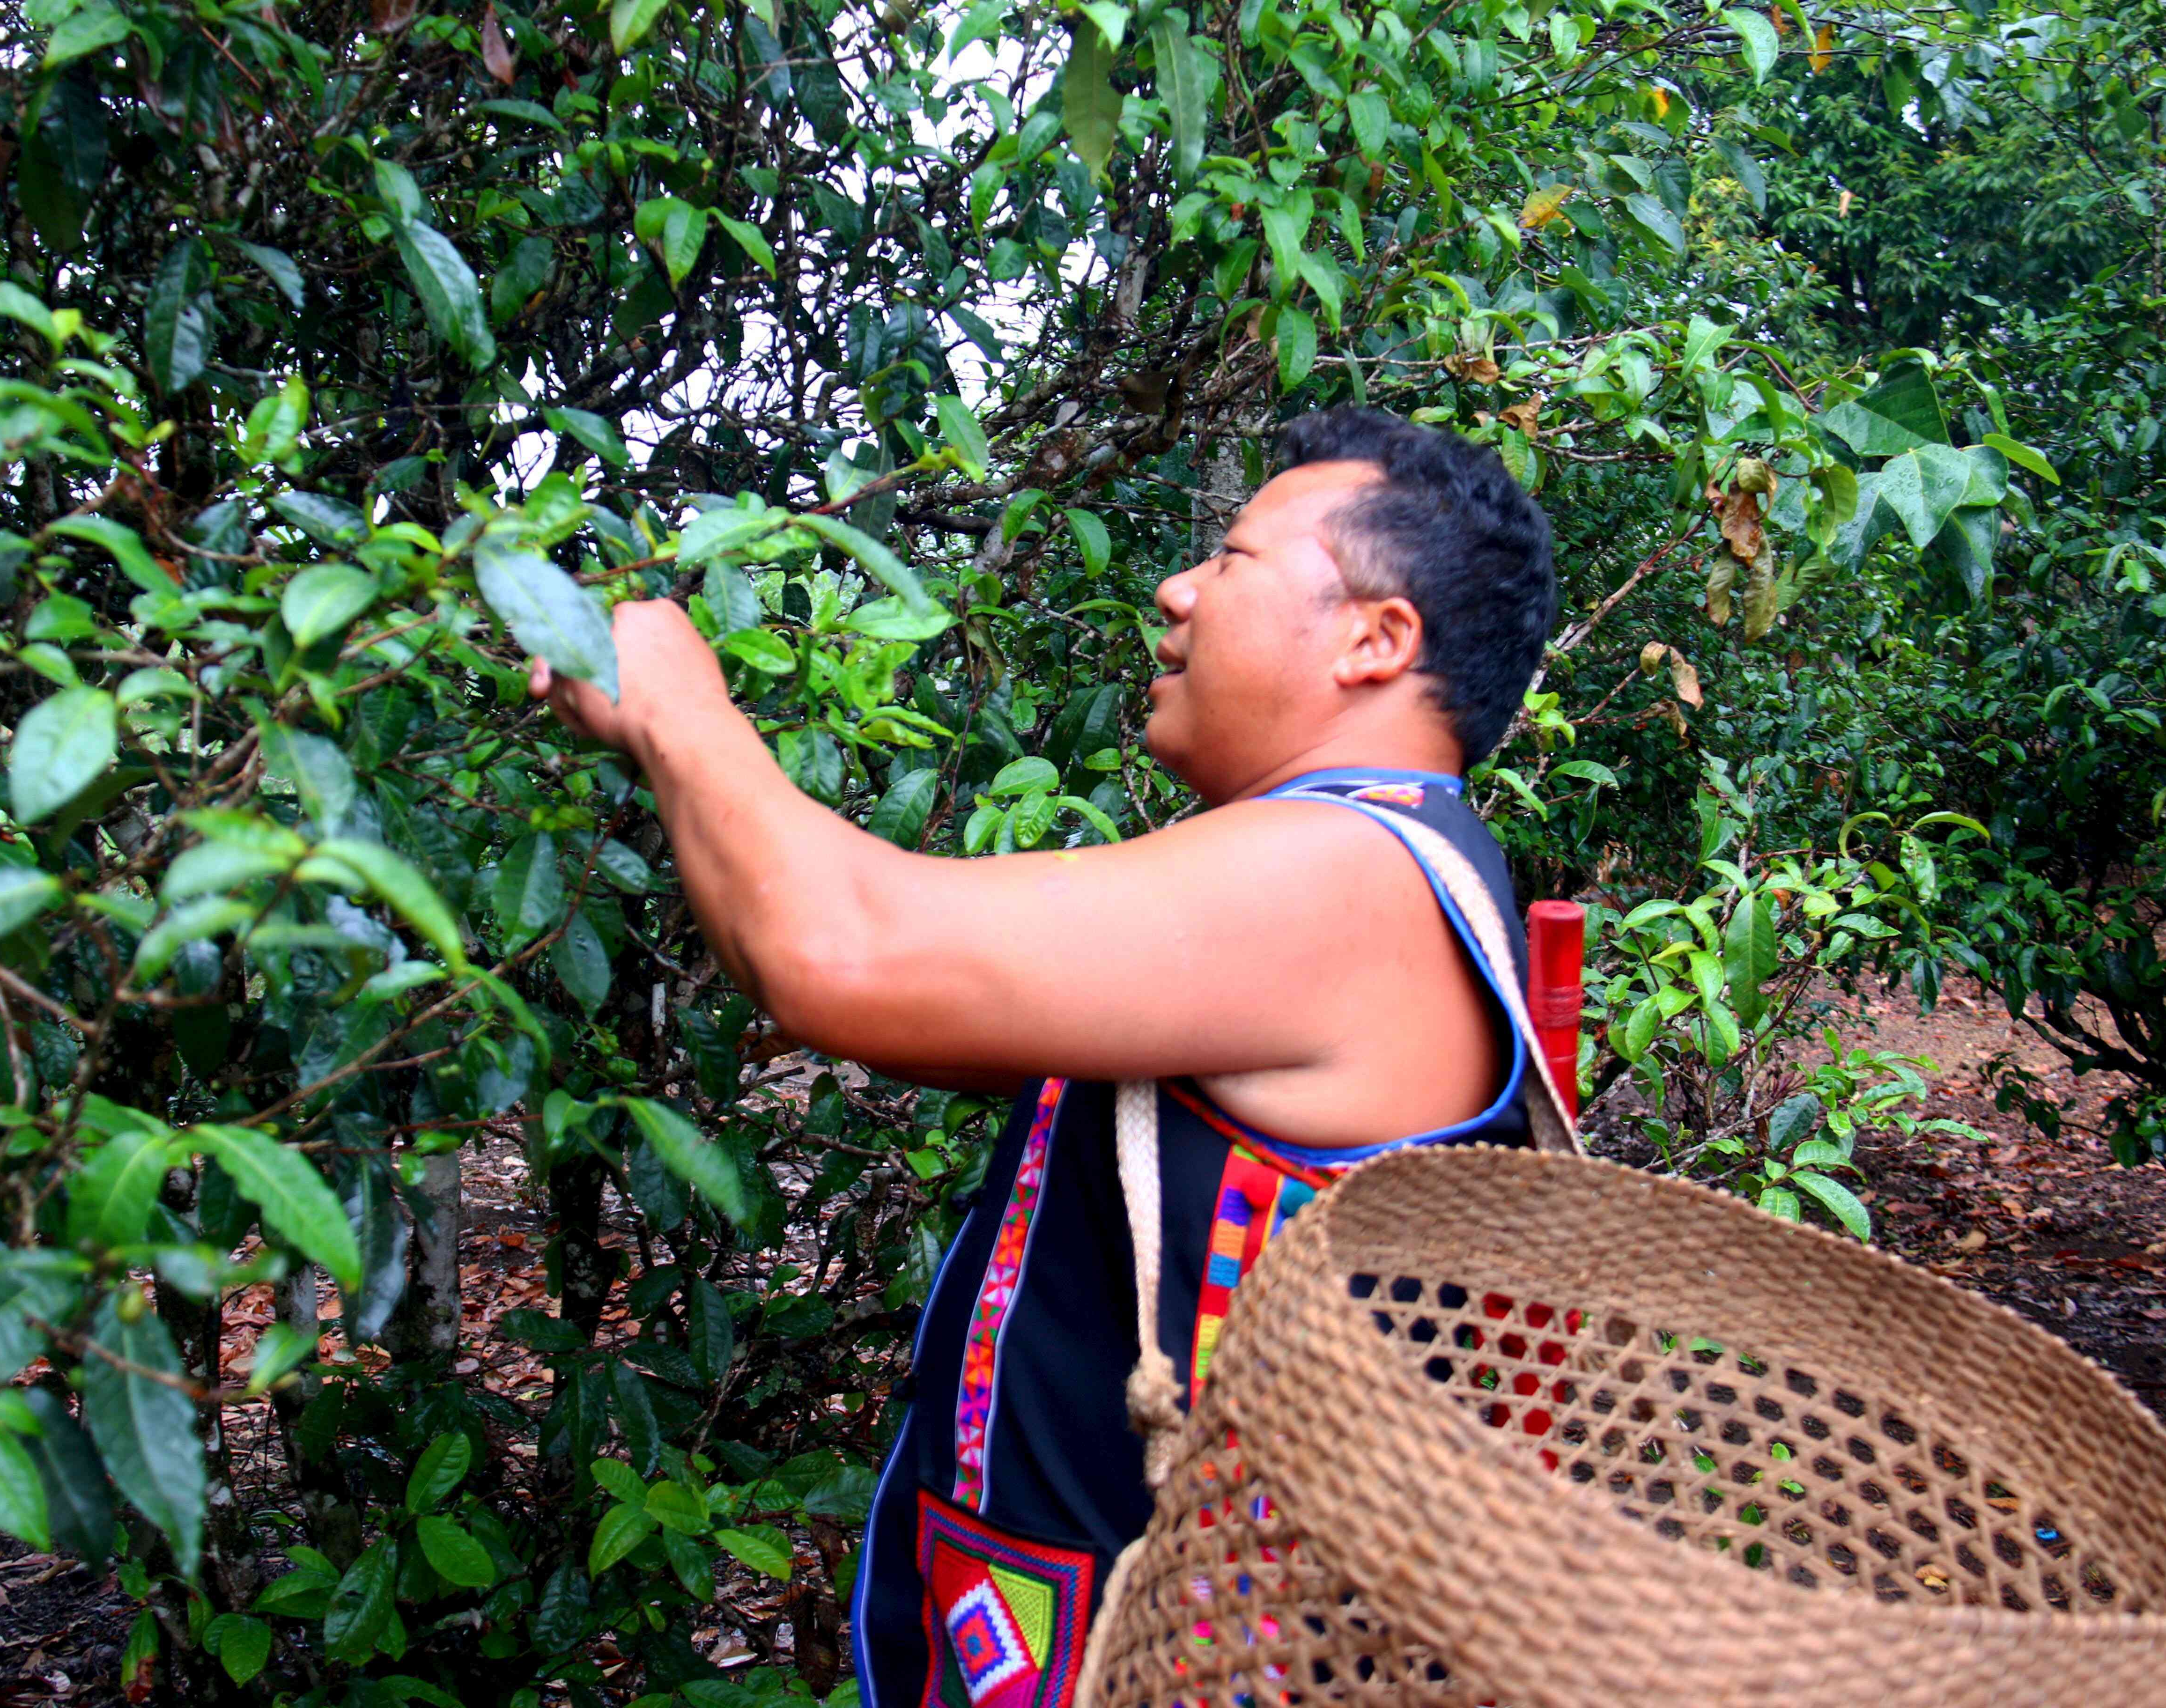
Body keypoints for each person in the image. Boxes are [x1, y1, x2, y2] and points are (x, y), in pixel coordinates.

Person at [530, 406, 1563, 1708]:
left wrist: (675, 701)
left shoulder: (1348, 871)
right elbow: (876, 955)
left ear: (1376, 638)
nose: (1177, 592)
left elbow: (843, 951)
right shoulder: (1377, 854)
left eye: (1234, 560)